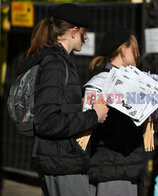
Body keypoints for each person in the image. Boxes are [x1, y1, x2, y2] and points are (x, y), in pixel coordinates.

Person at [17, 3, 109, 196]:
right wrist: (93, 116)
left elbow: (59, 107)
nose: (85, 37)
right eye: (84, 32)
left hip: (62, 160)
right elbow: (47, 121)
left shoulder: (58, 61)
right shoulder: (55, 64)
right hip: (62, 163)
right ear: (74, 30)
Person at [87, 28, 147, 196]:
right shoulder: (103, 81)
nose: (138, 53)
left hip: (114, 165)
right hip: (115, 167)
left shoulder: (103, 77)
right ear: (124, 50)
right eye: (135, 48)